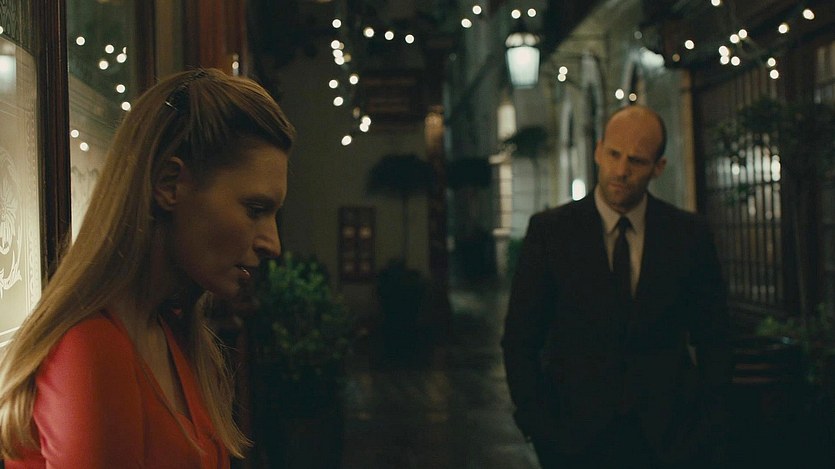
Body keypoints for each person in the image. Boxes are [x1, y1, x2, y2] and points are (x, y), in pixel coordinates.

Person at [0, 68, 295, 468]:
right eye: (255, 209)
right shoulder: (91, 351)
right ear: (169, 184)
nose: (272, 244)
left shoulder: (169, 331)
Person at [502, 105, 732, 468]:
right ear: (598, 151)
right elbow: (520, 337)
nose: (621, 170)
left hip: (668, 440)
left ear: (658, 167)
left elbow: (715, 337)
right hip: (574, 437)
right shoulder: (552, 233)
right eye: (614, 154)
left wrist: (706, 426)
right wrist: (537, 422)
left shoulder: (687, 235)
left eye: (637, 161)